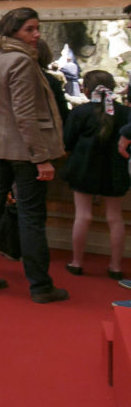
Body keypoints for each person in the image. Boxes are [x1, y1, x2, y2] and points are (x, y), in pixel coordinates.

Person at [0, 7, 68, 304]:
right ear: (12, 30)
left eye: (37, 28)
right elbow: (25, 115)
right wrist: (41, 157)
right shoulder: (22, 62)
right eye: (30, 29)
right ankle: (40, 286)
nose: (36, 34)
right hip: (23, 151)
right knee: (31, 217)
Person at [63, 70, 128, 280]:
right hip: (116, 169)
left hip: (83, 168)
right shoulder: (125, 113)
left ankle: (77, 262)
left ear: (86, 89)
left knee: (83, 215)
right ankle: (116, 266)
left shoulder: (80, 112)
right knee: (115, 217)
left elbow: (67, 141)